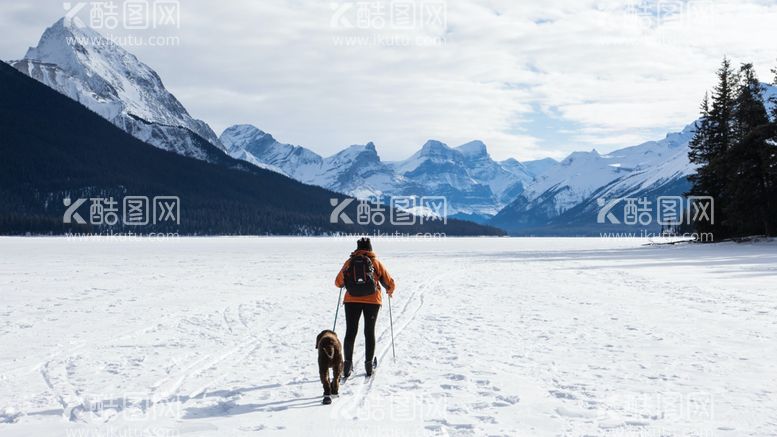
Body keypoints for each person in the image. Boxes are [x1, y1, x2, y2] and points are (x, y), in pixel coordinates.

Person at [335, 237, 395, 377]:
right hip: (373, 301)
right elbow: (389, 282)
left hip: (351, 301)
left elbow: (338, 282)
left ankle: (347, 365)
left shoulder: (350, 262)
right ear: (370, 248)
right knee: (369, 332)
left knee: (350, 332)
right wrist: (389, 291)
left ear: (357, 248)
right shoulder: (375, 262)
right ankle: (369, 365)